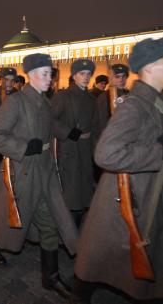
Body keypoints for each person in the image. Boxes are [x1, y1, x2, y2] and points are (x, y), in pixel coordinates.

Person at [71, 37, 163, 304]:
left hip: (146, 192)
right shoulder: (135, 106)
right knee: (106, 253)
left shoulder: (153, 102)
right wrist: (157, 153)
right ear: (149, 67)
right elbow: (106, 153)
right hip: (129, 197)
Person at [0, 54, 77, 299]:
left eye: (51, 73)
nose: (50, 78)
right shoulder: (16, 102)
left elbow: (52, 127)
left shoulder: (45, 101)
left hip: (44, 171)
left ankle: (51, 278)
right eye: (45, 73)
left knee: (50, 223)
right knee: (10, 216)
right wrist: (23, 147)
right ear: (31, 74)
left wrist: (69, 134)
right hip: (23, 171)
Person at [51, 59, 99, 228]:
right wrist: (68, 132)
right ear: (73, 76)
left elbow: (95, 126)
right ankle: (66, 227)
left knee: (84, 189)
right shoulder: (63, 96)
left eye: (88, 74)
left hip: (85, 150)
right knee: (70, 191)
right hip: (69, 149)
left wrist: (96, 149)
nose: (86, 77)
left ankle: (77, 225)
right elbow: (50, 119)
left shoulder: (91, 99)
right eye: (81, 74)